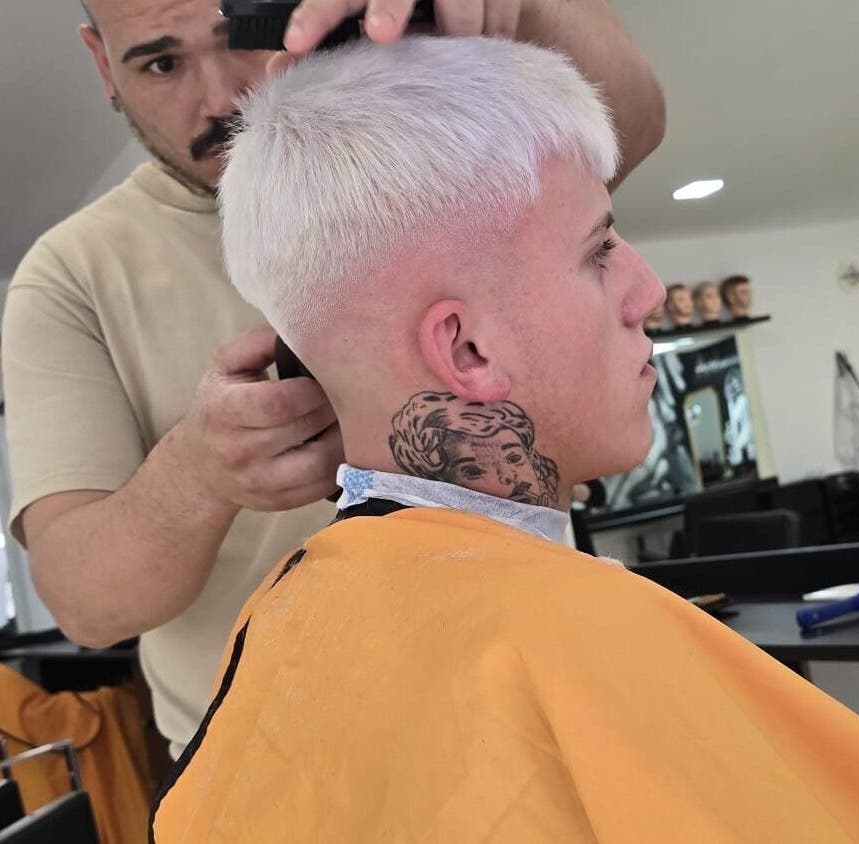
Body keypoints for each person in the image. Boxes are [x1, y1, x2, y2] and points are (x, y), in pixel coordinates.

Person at [152, 39, 859, 842]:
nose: (648, 289)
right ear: (467, 348)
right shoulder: (573, 639)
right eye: (599, 249)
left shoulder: (283, 619)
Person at [1, 0, 664, 760]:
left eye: (236, 41)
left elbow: (627, 122)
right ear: (99, 63)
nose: (223, 99)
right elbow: (85, 605)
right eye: (162, 64)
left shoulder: (417, 139)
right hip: (269, 763)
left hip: (534, 691)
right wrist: (195, 475)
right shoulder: (69, 279)